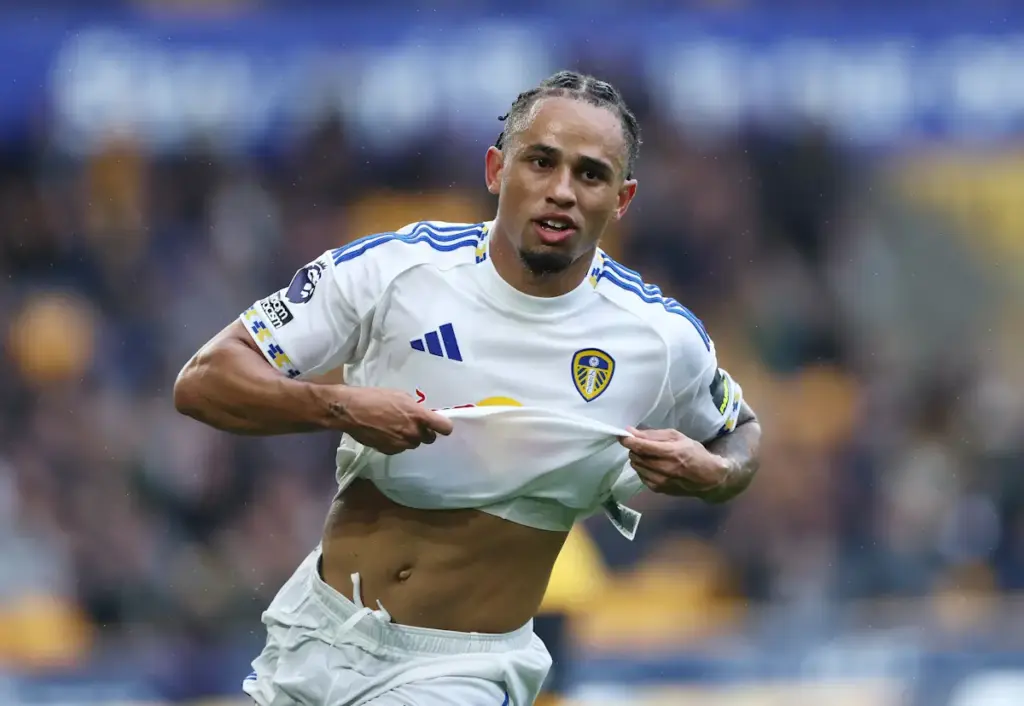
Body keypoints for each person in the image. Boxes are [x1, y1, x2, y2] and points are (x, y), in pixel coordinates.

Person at [173, 70, 762, 706]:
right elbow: (204, 380)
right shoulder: (396, 272)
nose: (561, 191)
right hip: (315, 635)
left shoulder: (658, 338)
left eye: (590, 175)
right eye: (541, 162)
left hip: (460, 673)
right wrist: (340, 405)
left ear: (622, 199)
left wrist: (714, 472)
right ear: (495, 169)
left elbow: (740, 434)